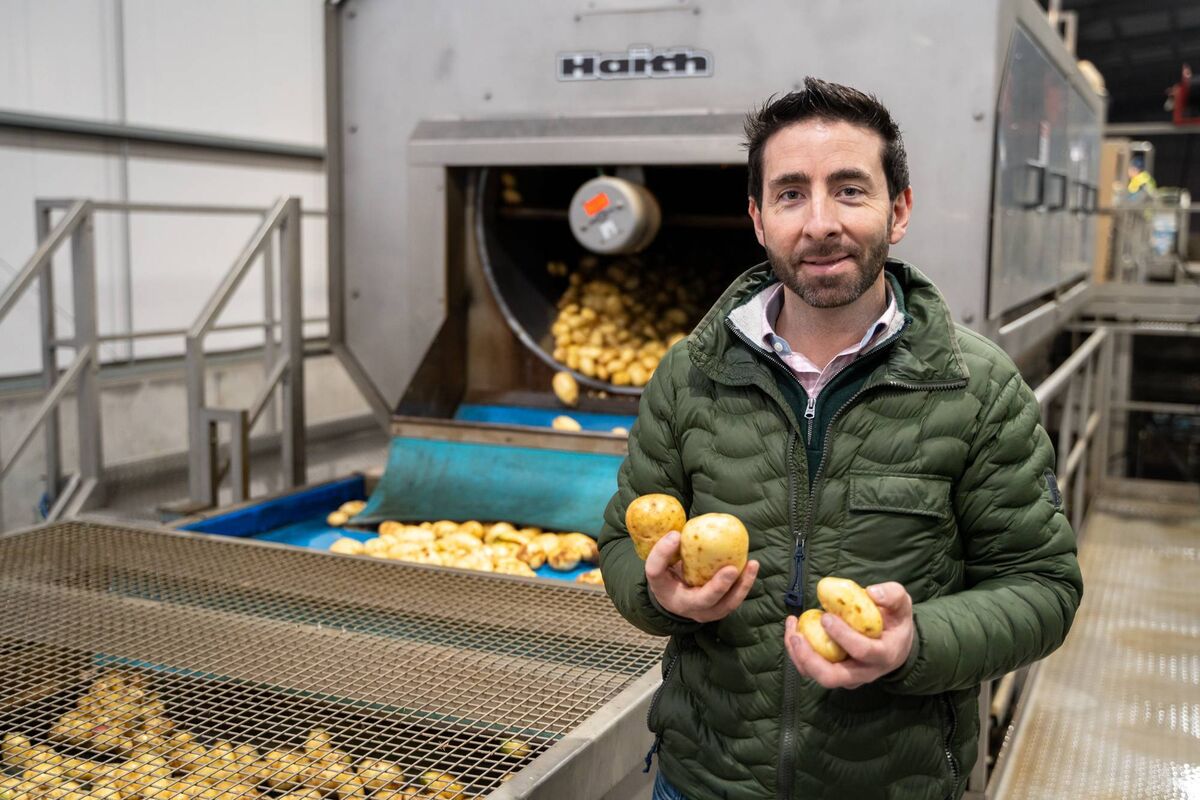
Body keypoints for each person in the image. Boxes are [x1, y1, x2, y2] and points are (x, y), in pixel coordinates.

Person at [597, 77, 1083, 800]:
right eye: (791, 194)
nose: (820, 222)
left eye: (850, 190)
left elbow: (1042, 588)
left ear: (900, 210)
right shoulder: (691, 374)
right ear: (759, 219)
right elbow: (617, 545)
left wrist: (915, 643)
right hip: (704, 780)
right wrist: (663, 597)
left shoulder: (975, 388)